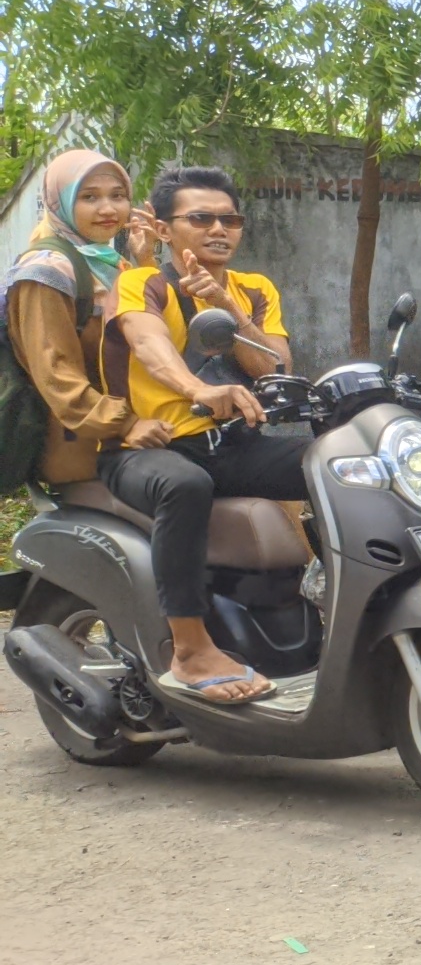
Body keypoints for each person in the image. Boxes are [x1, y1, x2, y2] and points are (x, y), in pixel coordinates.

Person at [97, 166, 304, 705]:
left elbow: (275, 370)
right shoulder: (142, 282)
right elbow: (149, 345)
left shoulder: (253, 289)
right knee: (184, 485)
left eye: (230, 220)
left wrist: (227, 308)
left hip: (231, 445)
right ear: (165, 230)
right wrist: (199, 388)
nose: (219, 229)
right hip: (147, 446)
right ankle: (189, 649)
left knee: (338, 463)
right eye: (201, 218)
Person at [4, 151, 159, 492]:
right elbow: (54, 370)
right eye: (89, 197)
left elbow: (154, 332)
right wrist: (124, 423)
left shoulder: (108, 262)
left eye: (117, 196)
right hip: (86, 449)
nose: (108, 209)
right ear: (59, 202)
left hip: (139, 434)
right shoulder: (47, 270)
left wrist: (146, 259)